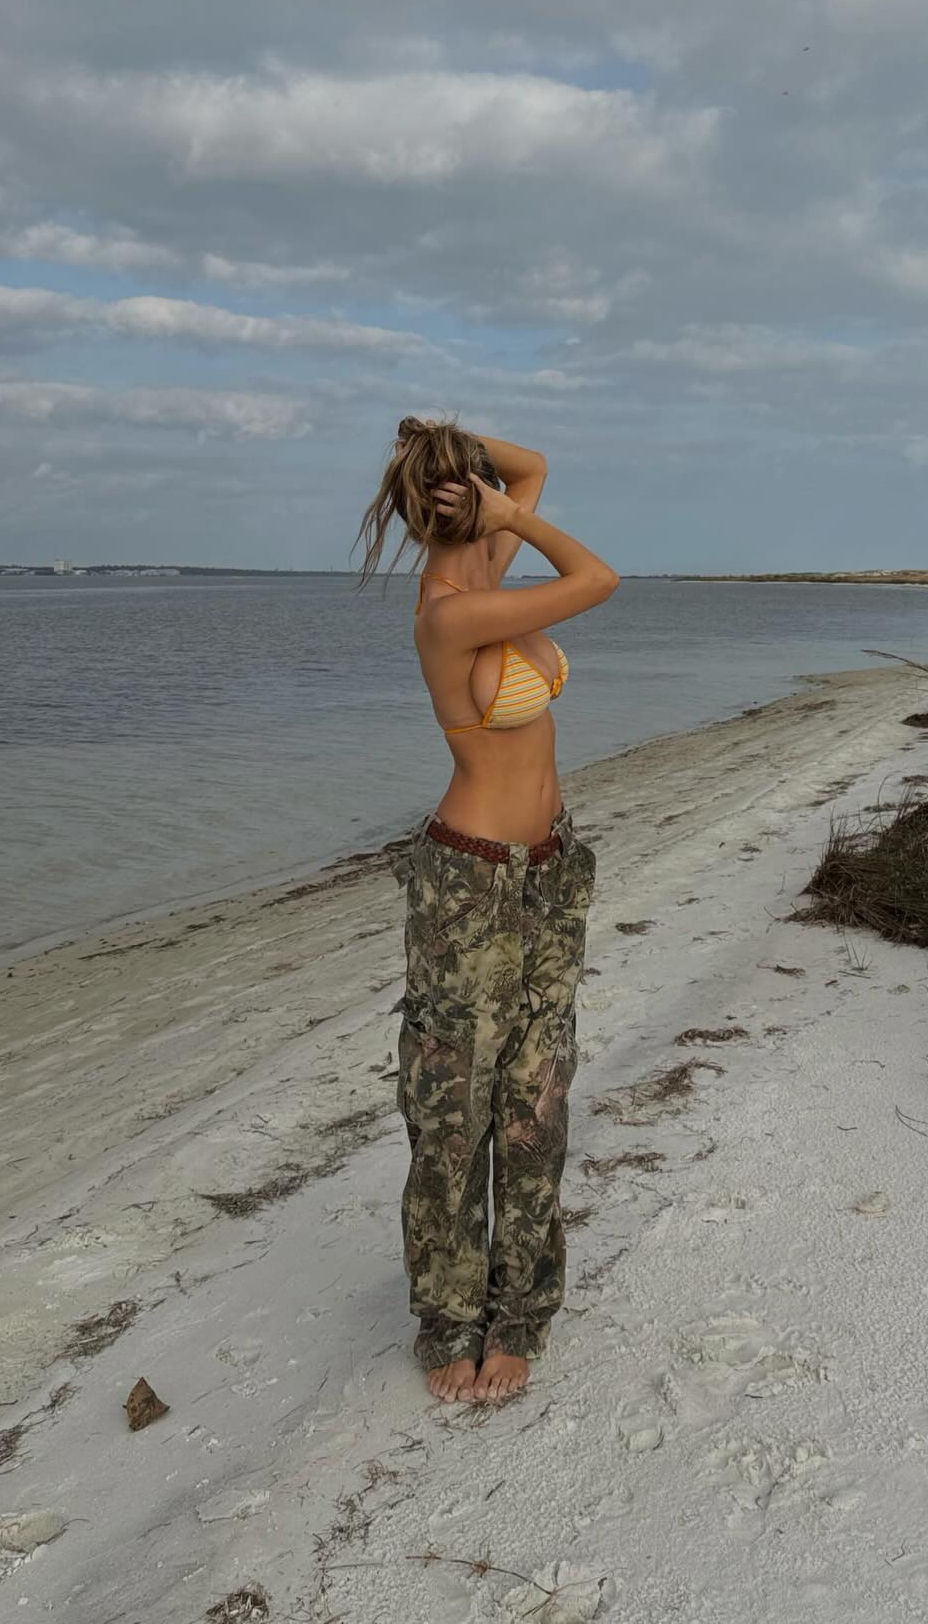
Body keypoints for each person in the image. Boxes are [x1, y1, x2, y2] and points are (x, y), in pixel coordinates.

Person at [357, 418, 619, 1404]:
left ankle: (520, 1312)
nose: (498, 510)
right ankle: (449, 1321)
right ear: (447, 513)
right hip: (468, 884)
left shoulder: (491, 565)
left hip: (552, 868)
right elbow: (597, 578)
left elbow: (536, 463)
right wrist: (504, 512)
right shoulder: (450, 613)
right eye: (472, 500)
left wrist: (446, 435)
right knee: (454, 1111)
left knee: (536, 1099)